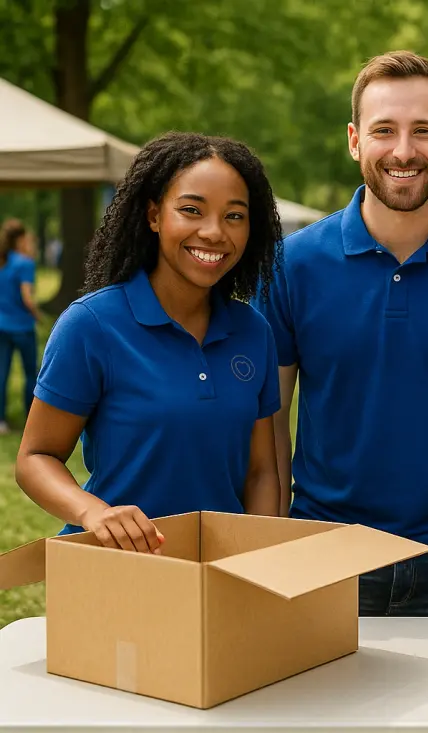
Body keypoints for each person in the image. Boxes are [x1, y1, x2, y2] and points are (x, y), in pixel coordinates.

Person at [251, 51, 428, 617]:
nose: (404, 151)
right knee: (319, 710)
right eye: (385, 130)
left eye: (423, 131)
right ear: (355, 140)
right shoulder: (291, 265)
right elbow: (268, 422)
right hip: (323, 557)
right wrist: (278, 542)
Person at [15, 132, 283, 550]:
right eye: (191, 210)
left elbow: (261, 472)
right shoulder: (92, 326)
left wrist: (261, 553)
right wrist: (94, 512)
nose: (214, 232)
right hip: (120, 569)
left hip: (221, 572)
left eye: (235, 216)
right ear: (155, 215)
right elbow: (35, 459)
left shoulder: (252, 330)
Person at [0, 219, 42, 434]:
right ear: (20, 238)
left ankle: (1, 421)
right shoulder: (25, 263)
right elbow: (27, 297)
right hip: (22, 327)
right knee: (30, 374)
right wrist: (38, 315)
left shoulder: (3, 262)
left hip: (1, 326)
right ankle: (30, 419)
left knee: (2, 373)